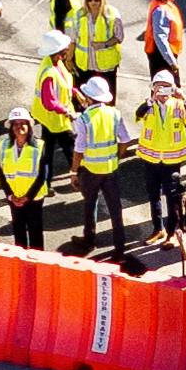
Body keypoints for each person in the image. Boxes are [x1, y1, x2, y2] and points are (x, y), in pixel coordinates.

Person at [70, 77, 137, 257]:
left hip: (91, 170)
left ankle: (89, 240)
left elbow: (79, 149)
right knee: (115, 208)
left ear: (89, 97)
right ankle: (120, 247)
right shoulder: (115, 113)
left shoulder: (84, 119)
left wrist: (74, 172)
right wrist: (116, 156)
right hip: (111, 168)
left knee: (90, 204)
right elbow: (125, 140)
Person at [135, 71, 186, 243]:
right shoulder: (148, 106)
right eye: (158, 87)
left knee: (172, 197)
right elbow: (137, 116)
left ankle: (171, 232)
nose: (162, 92)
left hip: (171, 161)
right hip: (151, 159)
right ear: (153, 88)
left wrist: (185, 98)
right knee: (153, 195)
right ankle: (157, 229)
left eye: (166, 87)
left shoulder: (178, 105)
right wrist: (150, 101)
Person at [0, 105, 48, 248]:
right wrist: (10, 196)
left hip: (34, 199)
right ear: (11, 127)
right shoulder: (5, 145)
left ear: (29, 126)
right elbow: (2, 173)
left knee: (35, 233)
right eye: (15, 124)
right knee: (18, 233)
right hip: (14, 198)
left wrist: (28, 197)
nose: (19, 127)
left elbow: (41, 176)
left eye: (22, 123)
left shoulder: (39, 145)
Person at [29, 28, 78, 185]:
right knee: (70, 149)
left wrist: (76, 92)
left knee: (48, 152)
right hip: (56, 120)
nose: (67, 52)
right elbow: (49, 101)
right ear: (58, 52)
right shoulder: (50, 72)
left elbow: (63, 84)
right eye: (65, 50)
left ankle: (45, 183)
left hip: (49, 118)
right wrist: (67, 112)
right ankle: (78, 178)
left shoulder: (54, 63)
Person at [69, 0, 123, 95]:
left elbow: (119, 36)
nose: (93, 3)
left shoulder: (112, 14)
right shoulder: (78, 15)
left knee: (107, 97)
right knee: (83, 98)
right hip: (84, 65)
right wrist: (69, 59)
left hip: (106, 66)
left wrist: (105, 44)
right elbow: (73, 39)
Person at [140, 0, 186, 91]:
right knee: (168, 88)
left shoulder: (162, 4)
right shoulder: (160, 10)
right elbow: (160, 38)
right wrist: (172, 62)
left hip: (162, 55)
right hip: (161, 58)